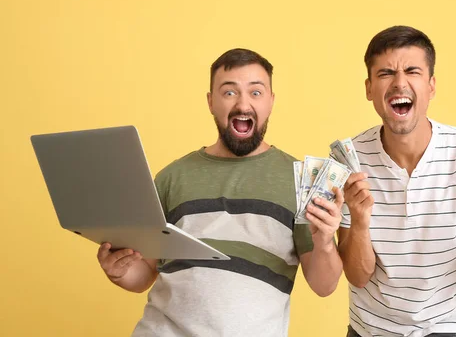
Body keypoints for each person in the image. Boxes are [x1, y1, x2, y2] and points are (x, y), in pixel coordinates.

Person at [96, 48, 344, 336]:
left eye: (255, 92)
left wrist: (325, 240)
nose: (242, 104)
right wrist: (118, 270)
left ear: (271, 102)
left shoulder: (301, 181)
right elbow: (143, 275)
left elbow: (324, 285)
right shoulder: (171, 177)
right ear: (210, 102)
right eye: (229, 93)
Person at [338, 26, 456, 337]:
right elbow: (358, 276)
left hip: (450, 328)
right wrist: (360, 223)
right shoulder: (349, 162)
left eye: (412, 71)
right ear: (369, 89)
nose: (399, 83)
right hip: (370, 330)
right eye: (385, 73)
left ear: (431, 86)